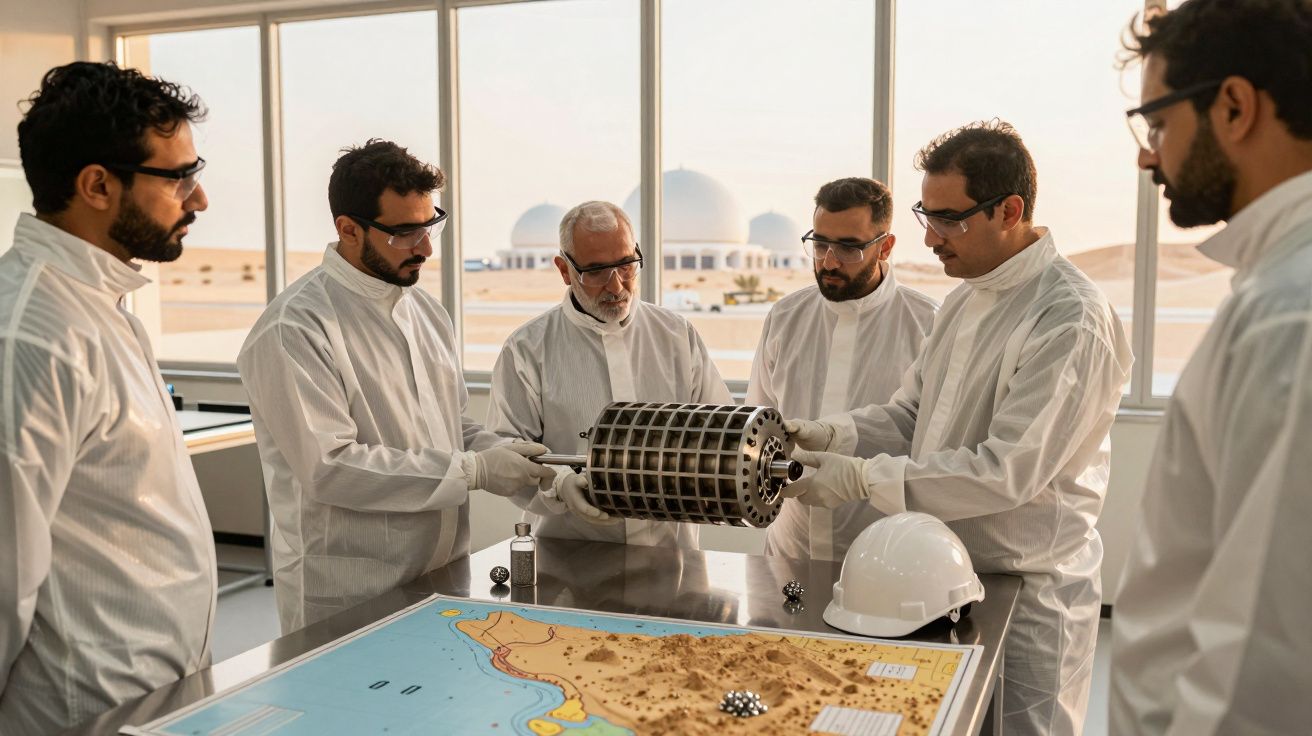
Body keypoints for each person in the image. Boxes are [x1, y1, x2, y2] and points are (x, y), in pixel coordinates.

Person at [783, 121, 1132, 736]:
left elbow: (1006, 472)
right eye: (926, 213)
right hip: (937, 578)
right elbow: (911, 414)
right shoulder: (968, 298)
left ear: (1010, 210)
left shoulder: (1069, 318)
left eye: (948, 219)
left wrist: (860, 479)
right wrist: (830, 435)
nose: (929, 237)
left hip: (1026, 592)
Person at [237, 140, 553, 632]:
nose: (425, 248)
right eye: (405, 233)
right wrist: (475, 471)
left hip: (444, 575)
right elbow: (331, 466)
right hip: (349, 590)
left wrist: (516, 454)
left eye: (430, 226)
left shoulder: (425, 312)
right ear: (348, 229)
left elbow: (451, 427)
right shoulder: (295, 328)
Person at [1111, 1, 1312, 733]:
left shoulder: (1291, 315)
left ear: (1233, 106)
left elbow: (1261, 670)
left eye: (1158, 124)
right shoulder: (1279, 288)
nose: (1146, 154)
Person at [0, 61, 217, 733]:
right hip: (81, 709)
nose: (199, 197)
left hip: (155, 696)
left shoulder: (102, 303)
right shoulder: (33, 336)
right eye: (178, 175)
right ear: (97, 184)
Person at [486, 200, 731, 546]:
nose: (616, 287)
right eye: (597, 271)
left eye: (627, 265)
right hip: (569, 555)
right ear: (563, 270)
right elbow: (506, 453)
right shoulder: (527, 349)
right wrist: (558, 484)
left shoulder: (677, 335)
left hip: (672, 556)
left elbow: (720, 435)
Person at [747, 177, 937, 562]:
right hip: (790, 550)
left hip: (889, 560)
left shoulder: (930, 324)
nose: (829, 261)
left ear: (886, 246)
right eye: (820, 244)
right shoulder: (785, 317)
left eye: (849, 248)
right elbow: (756, 427)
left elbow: (933, 446)